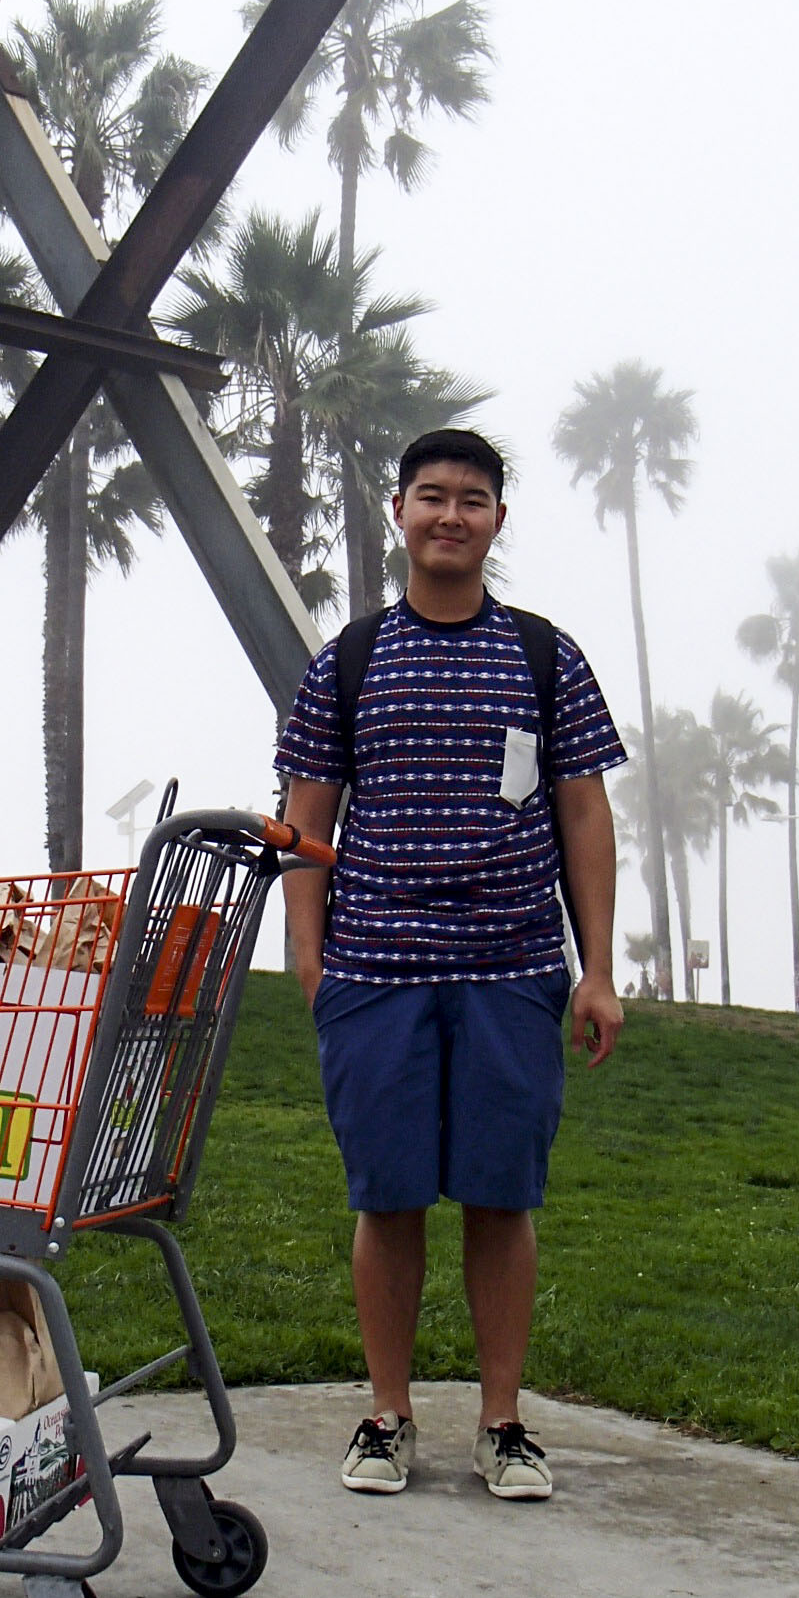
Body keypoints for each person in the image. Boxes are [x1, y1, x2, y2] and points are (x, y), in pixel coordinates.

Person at [274, 427, 626, 1502]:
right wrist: (310, 960)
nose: (451, 516)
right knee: (386, 1199)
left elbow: (584, 811)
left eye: (472, 499)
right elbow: (305, 818)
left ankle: (503, 1422)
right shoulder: (351, 657)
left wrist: (596, 968)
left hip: (513, 967)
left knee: (499, 1196)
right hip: (377, 970)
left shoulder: (543, 654)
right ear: (399, 511)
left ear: (497, 522)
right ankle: (387, 1416)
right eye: (432, 496)